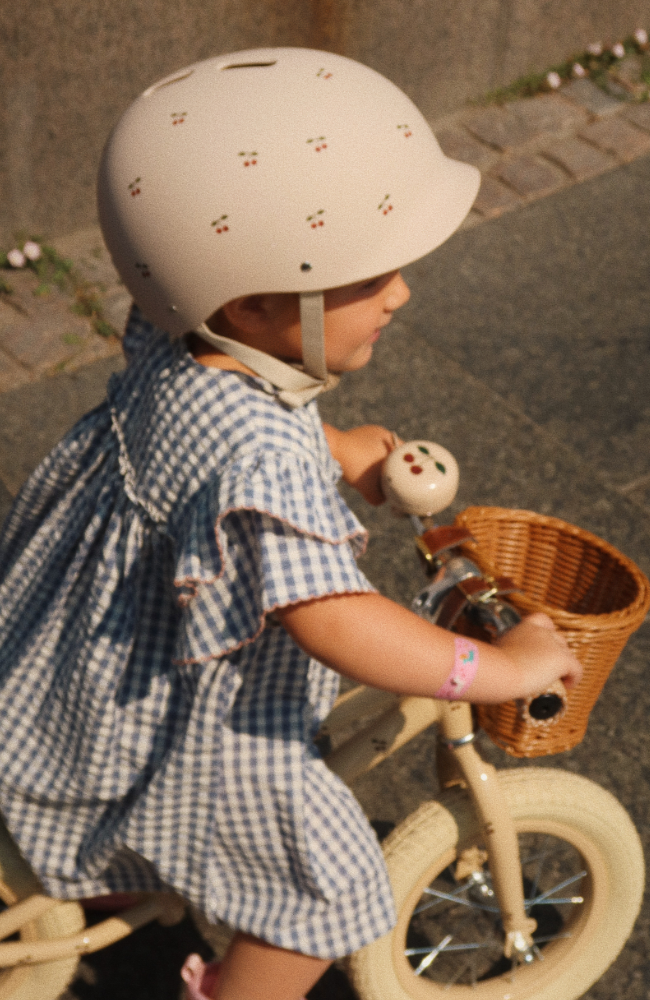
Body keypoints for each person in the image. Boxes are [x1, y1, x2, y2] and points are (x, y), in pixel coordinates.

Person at [0, 48, 581, 1000]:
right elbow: (337, 620)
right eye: (371, 275)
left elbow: (245, 413)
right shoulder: (258, 462)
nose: (400, 294)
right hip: (186, 717)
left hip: (89, 658)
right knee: (323, 889)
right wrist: (496, 668)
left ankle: (115, 872)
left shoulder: (181, 334)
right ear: (255, 300)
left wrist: (342, 447)